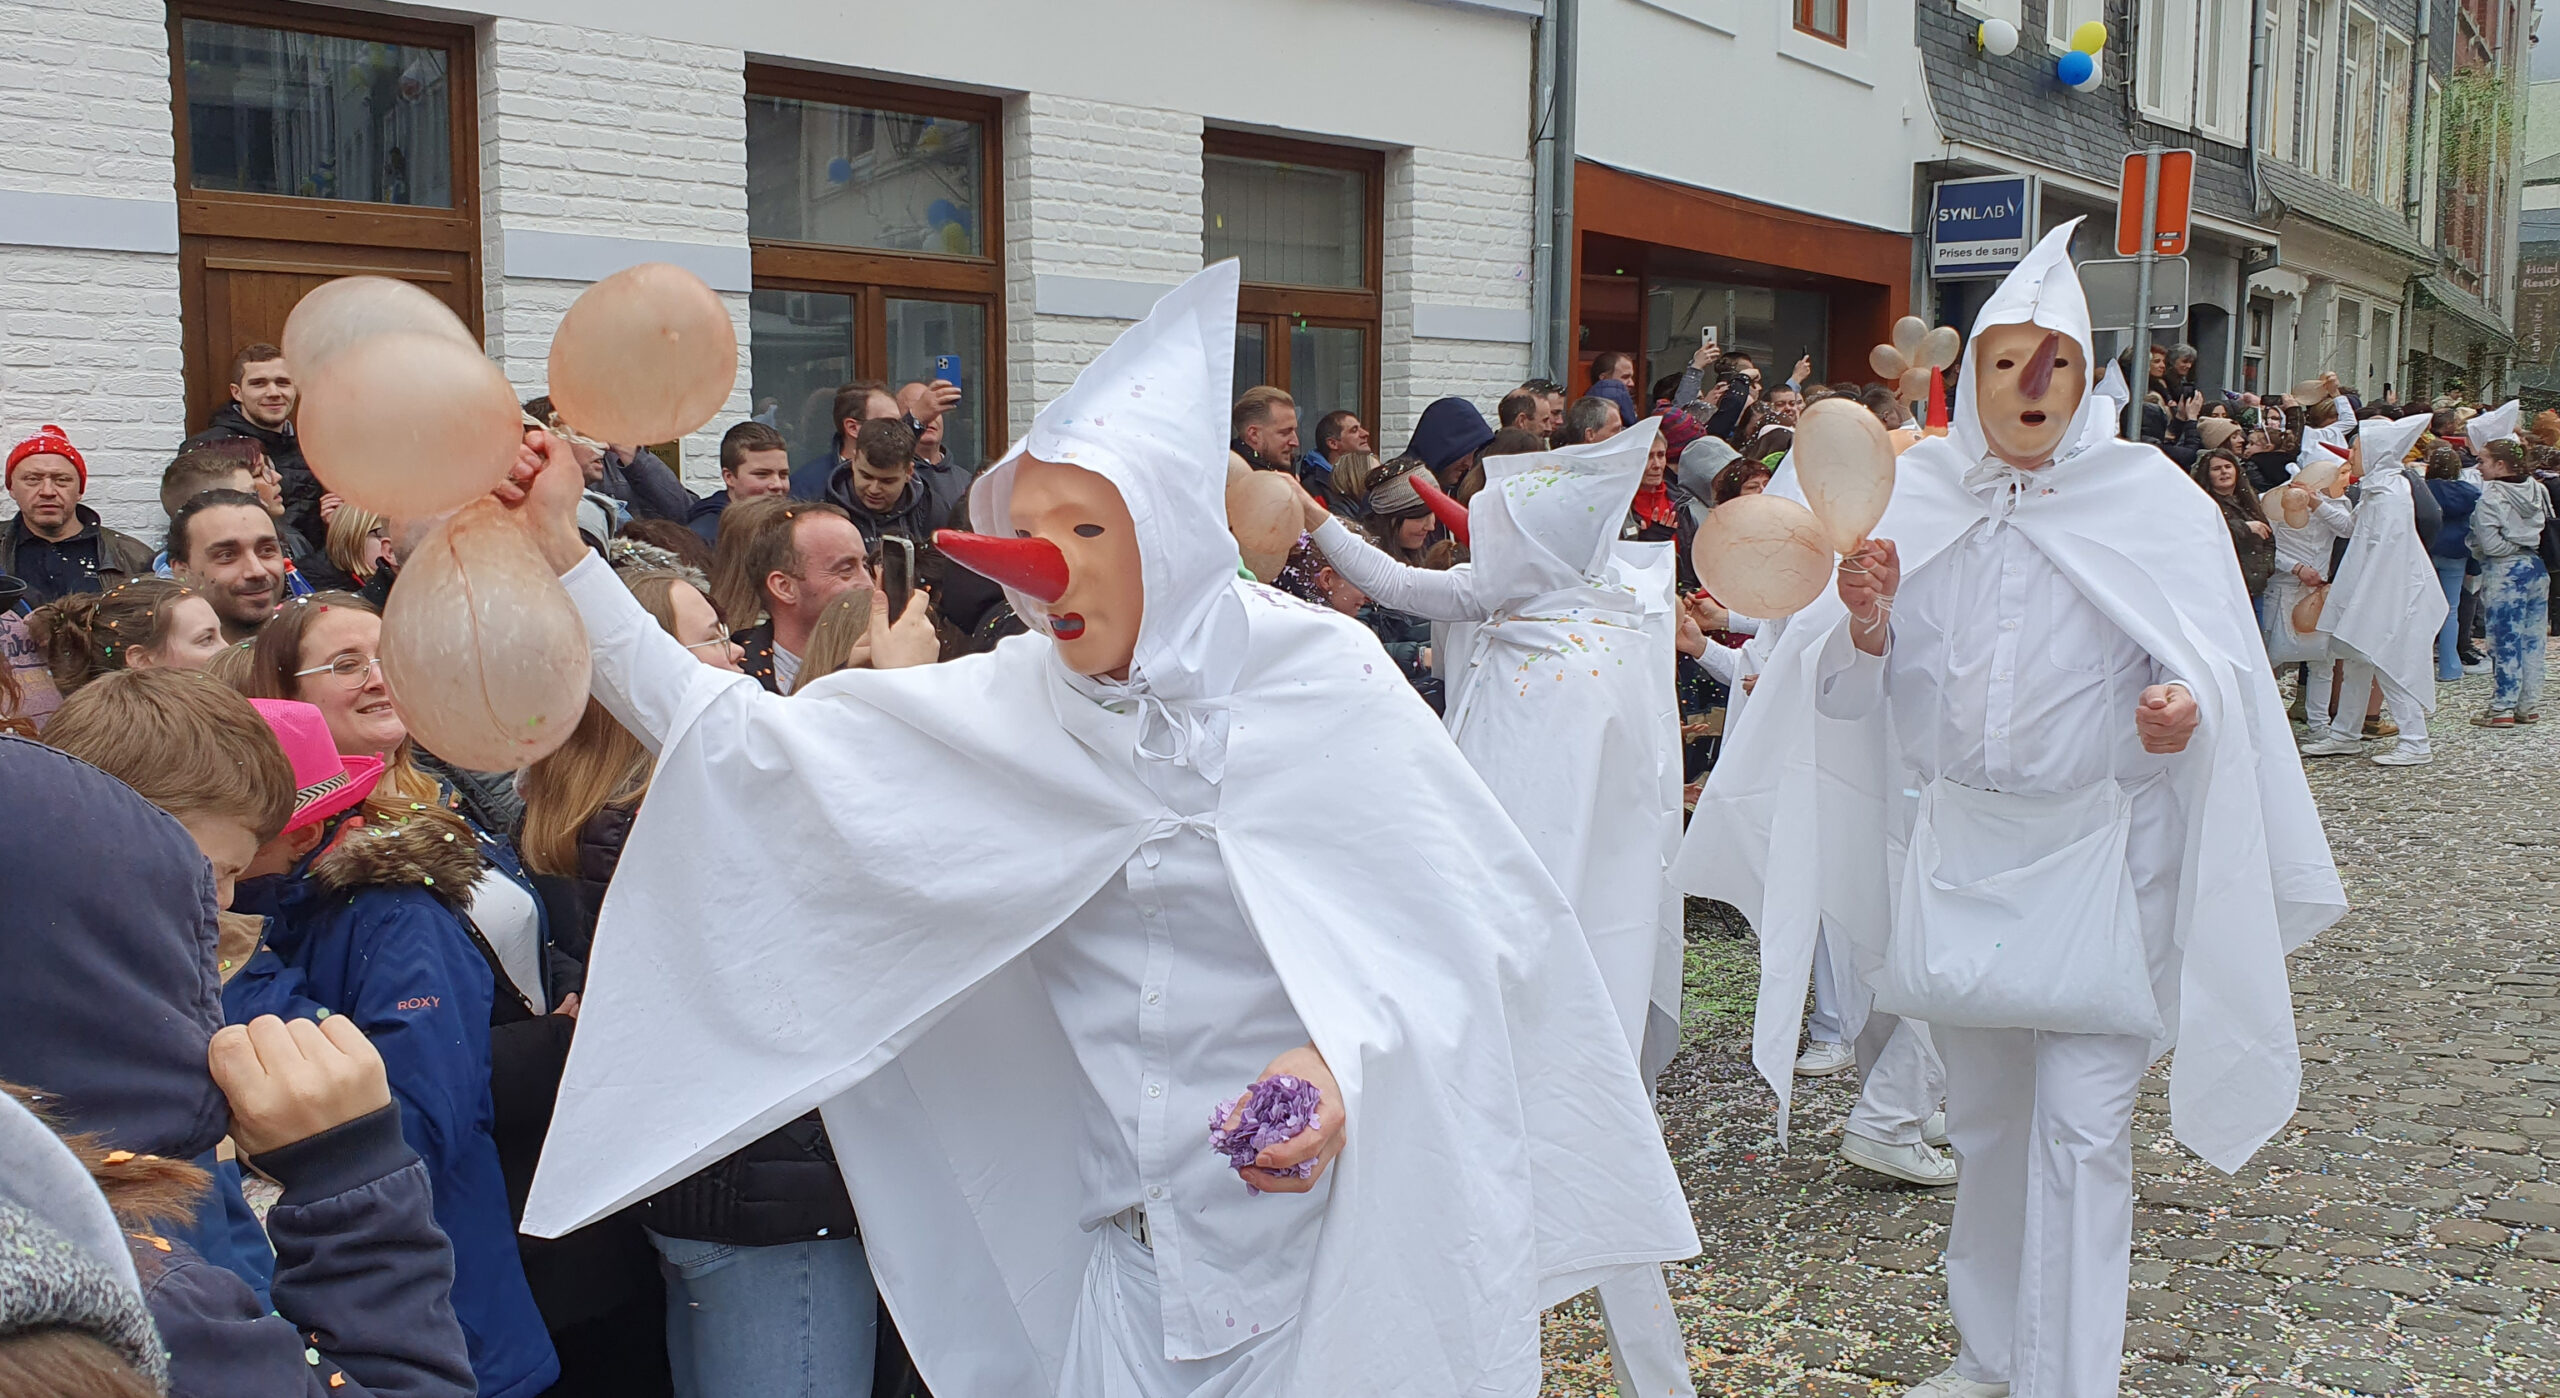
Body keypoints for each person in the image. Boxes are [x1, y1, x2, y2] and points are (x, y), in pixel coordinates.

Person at [507, 260, 1694, 1396]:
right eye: (1036, 529)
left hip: (1330, 1264)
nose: (1046, 569)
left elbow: (1477, 942)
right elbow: (739, 739)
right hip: (1127, 1273)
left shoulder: (1319, 682)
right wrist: (564, 549)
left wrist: (1345, 1060)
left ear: (1171, 535)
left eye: (1087, 531)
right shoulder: (1016, 708)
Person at [1681, 222, 2342, 1398]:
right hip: (1966, 860)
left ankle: (2065, 1379)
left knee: (2083, 1132)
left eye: (2053, 366)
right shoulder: (1912, 494)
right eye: (2002, 362)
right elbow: (1836, 692)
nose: (2026, 389)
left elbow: (2213, 673)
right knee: (1985, 1123)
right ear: (1974, 368)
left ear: (2086, 380)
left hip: (2105, 856)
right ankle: (1992, 1357)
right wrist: (1869, 622)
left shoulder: (2148, 500)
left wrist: (2180, 712)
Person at [1298, 423, 1700, 1397]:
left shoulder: (1550, 667)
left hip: (1523, 964)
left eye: (1497, 535)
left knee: (1519, 1169)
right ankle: (1653, 1376)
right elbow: (1416, 590)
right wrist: (1312, 517)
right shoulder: (1585, 617)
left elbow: (1507, 841)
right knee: (1592, 1165)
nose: (1479, 556)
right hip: (1575, 955)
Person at [0, 729, 476, 1398]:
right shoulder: (144, 1304)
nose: (222, 902)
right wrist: (351, 1169)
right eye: (191, 884)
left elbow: (233, 1261)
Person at [517, 566, 881, 1398]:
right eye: (708, 636)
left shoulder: (619, 813)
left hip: (713, 1188)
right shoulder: (683, 813)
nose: (738, 654)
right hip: (772, 1200)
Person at [216, 693, 561, 1398]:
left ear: (298, 837)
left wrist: (240, 972)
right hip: (329, 1311)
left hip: (450, 1327)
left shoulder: (395, 918)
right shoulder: (269, 916)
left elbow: (416, 1126)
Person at [2304, 413, 2443, 766]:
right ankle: (2345, 733)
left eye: (2356, 449)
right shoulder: (2378, 490)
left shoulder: (2390, 495)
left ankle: (2415, 739)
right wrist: (2318, 504)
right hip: (2369, 587)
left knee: (2386, 659)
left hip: (2386, 591)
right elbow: (2353, 527)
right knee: (2356, 659)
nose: (2350, 456)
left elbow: (2387, 553)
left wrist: (2367, 598)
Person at [708, 496, 870, 695]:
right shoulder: (738, 685)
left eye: (865, 565)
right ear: (784, 587)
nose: (868, 584)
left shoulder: (890, 664)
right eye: (845, 569)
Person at [181, 344, 325, 545]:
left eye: (283, 382)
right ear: (237, 392)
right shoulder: (210, 448)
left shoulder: (313, 447)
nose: (274, 392)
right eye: (259, 383)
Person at [5, 426, 153, 604]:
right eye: (32, 479)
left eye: (62, 480)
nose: (47, 491)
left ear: (80, 490)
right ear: (11, 488)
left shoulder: (133, 558)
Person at [2466, 440, 2552, 726]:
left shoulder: (2491, 498)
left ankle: (2502, 706)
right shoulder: (2536, 489)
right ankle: (2528, 703)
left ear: (2500, 465)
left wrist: (2503, 547)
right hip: (2536, 567)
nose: (2478, 467)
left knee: (2504, 640)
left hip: (2505, 572)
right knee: (2533, 639)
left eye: (2483, 461)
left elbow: (2490, 546)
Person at [27, 578, 226, 695]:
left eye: (220, 634)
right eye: (206, 640)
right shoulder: (139, 745)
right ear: (142, 659)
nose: (227, 648)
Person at [166, 489, 285, 642]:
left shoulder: (316, 653)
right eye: (227, 555)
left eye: (267, 550)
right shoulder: (166, 661)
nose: (257, 571)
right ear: (182, 572)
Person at [828, 417, 941, 551]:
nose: (874, 489)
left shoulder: (933, 510)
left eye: (887, 481)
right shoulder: (824, 508)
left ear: (908, 472)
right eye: (866, 476)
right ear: (853, 461)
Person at [2422, 446, 2481, 684]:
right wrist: (2474, 565)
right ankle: (2450, 667)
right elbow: (2477, 529)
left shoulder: (2422, 491)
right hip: (2457, 554)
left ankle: (2420, 669)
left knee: (2421, 610)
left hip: (2424, 552)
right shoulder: (2471, 493)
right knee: (2450, 611)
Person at [789, 381, 900, 502]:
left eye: (900, 423)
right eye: (888, 423)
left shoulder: (914, 478)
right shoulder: (808, 484)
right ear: (853, 428)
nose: (899, 430)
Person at [689, 421, 795, 546]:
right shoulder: (704, 538)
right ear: (729, 477)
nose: (777, 485)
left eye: (783, 475)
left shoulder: (792, 527)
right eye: (762, 474)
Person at [2193, 448, 2276, 607]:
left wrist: (2266, 568)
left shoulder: (2249, 501)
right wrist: (2244, 527)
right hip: (2223, 591)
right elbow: (2204, 534)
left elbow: (2269, 538)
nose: (2224, 472)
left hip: (2254, 588)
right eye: (2216, 469)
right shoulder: (2202, 503)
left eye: (2228, 466)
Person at [895, 377, 971, 526]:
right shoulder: (894, 479)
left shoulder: (965, 479)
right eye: (922, 410)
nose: (930, 418)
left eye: (935, 409)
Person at [1230, 385, 1300, 474]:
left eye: (1294, 431)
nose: (1295, 442)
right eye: (1285, 433)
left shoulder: (1287, 476)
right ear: (1254, 434)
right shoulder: (1238, 483)